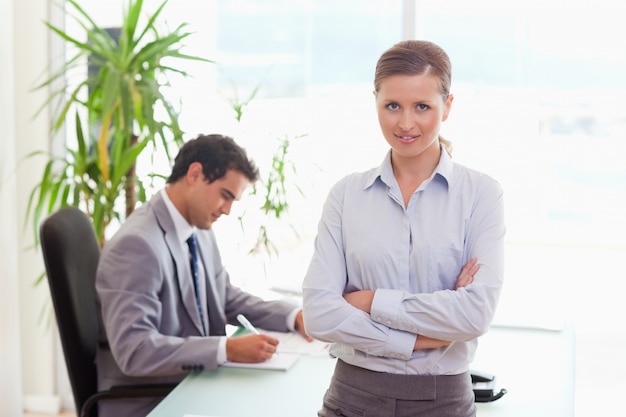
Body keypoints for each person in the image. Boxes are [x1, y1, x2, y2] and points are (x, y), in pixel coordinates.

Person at [302, 40, 505, 417]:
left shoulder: (481, 194)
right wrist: (421, 339)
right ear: (375, 101)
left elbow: (475, 315)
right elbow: (319, 313)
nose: (406, 123)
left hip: (442, 400)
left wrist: (369, 301)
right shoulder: (346, 195)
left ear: (448, 107)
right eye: (392, 105)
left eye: (422, 107)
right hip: (351, 397)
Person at [95, 133, 311, 417]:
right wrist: (226, 349)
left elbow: (226, 298)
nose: (228, 210)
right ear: (195, 174)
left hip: (192, 385)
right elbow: (135, 349)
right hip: (151, 401)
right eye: (225, 195)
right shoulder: (136, 245)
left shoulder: (197, 227)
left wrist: (292, 316)